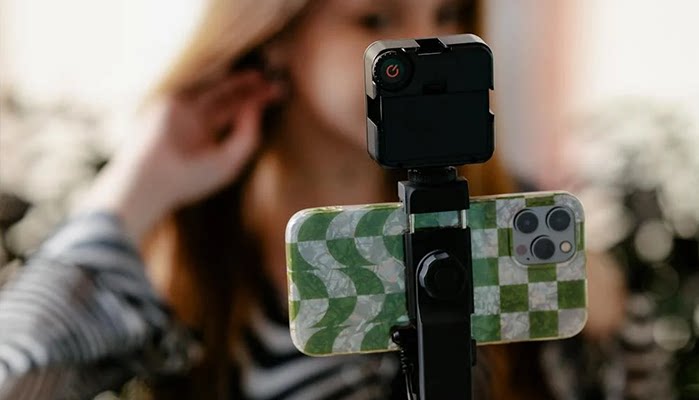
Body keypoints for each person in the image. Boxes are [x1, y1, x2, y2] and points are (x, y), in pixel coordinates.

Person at [0, 0, 555, 399]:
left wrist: (586, 309)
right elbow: (16, 377)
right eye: (375, 19)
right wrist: (133, 187)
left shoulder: (517, 225)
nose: (426, 42)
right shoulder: (185, 253)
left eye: (447, 13)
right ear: (276, 33)